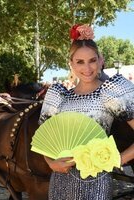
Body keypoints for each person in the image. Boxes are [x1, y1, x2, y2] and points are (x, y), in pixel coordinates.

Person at [39, 24, 134, 200]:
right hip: (60, 182)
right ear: (71, 64)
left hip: (96, 183)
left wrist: (118, 159)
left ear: (100, 60)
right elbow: (43, 140)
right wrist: (51, 163)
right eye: (80, 62)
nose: (87, 68)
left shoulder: (112, 91)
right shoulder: (58, 95)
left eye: (92, 60)